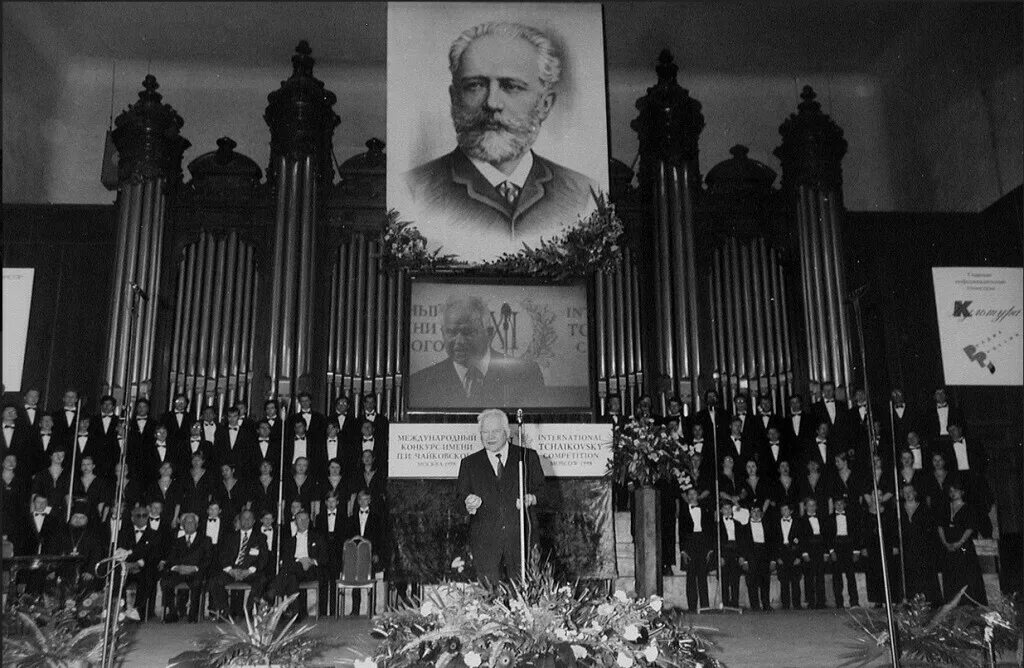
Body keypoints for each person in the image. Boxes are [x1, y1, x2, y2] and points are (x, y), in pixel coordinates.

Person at [400, 21, 599, 259]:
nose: (492, 103)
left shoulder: (583, 194)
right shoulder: (413, 191)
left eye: (511, 86)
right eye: (475, 85)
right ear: (454, 98)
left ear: (545, 105)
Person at [456, 408, 544, 583]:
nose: (490, 437)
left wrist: (532, 498)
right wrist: (468, 504)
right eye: (485, 432)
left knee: (524, 600)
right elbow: (458, 502)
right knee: (488, 602)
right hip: (485, 546)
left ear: (507, 432)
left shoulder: (527, 457)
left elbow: (546, 493)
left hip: (521, 543)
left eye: (495, 431)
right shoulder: (469, 464)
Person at [408, 295, 545, 409]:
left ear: (489, 334)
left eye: (468, 332)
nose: (459, 341)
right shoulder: (420, 383)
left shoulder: (526, 374)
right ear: (443, 333)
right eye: (451, 332)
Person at [207, 509, 268, 619]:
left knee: (262, 580)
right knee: (214, 581)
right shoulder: (229, 537)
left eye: (249, 518)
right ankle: (225, 611)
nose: (247, 520)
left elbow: (263, 558)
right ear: (239, 520)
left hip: (249, 572)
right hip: (232, 570)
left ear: (254, 521)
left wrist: (249, 571)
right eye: (244, 518)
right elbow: (222, 556)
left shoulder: (260, 538)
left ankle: (249, 611)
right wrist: (230, 570)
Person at [265, 510, 326, 620]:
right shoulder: (289, 541)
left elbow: (324, 558)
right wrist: (300, 561)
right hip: (295, 569)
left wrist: (311, 561)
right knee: (292, 576)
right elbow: (285, 559)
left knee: (289, 571)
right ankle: (295, 614)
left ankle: (272, 592)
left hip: (311, 570)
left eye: (306, 519)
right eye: (300, 519)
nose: (303, 522)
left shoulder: (317, 537)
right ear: (295, 522)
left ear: (309, 521)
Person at [937, 479, 987, 605]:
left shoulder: (968, 508)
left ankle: (970, 604)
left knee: (968, 575)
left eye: (956, 490)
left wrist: (960, 542)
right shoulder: (945, 508)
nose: (953, 493)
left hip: (964, 546)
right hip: (949, 547)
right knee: (951, 576)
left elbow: (970, 528)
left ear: (962, 492)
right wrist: (945, 543)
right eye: (951, 491)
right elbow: (940, 527)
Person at [160, 512, 212, 622]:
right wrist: (177, 567)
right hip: (179, 571)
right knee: (165, 582)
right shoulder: (178, 541)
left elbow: (207, 559)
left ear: (197, 524)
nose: (189, 524)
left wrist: (194, 568)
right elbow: (171, 559)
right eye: (186, 522)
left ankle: (193, 614)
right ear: (182, 525)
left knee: (197, 582)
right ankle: (173, 613)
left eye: (192, 522)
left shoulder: (205, 540)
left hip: (195, 572)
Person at [118, 504, 164, 620]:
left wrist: (138, 563)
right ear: (132, 518)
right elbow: (119, 551)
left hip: (143, 567)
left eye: (144, 515)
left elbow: (154, 555)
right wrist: (126, 565)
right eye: (138, 515)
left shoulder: (155, 534)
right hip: (126, 567)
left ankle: (138, 611)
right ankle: (121, 610)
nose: (141, 518)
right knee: (117, 577)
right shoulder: (124, 533)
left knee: (148, 577)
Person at [899, 483, 942, 606]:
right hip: (907, 547)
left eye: (910, 491)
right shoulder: (899, 509)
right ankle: (910, 600)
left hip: (923, 547)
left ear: (915, 493)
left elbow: (930, 529)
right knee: (909, 574)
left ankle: (926, 601)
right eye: (905, 492)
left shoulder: (923, 508)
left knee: (924, 573)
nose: (908, 495)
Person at [344, 489, 386, 615]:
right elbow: (348, 536)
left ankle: (371, 610)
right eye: (361, 499)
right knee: (355, 580)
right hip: (354, 554)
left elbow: (380, 538)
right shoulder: (351, 518)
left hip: (370, 553)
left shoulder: (376, 518)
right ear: (358, 501)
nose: (363, 502)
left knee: (371, 580)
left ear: (370, 501)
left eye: (366, 499)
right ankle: (355, 610)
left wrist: (376, 553)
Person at [677, 487, 711, 612]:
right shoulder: (684, 511)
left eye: (694, 494)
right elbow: (681, 531)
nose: (691, 496)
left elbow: (709, 529)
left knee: (702, 575)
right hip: (689, 544)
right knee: (690, 576)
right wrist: (683, 550)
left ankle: (705, 606)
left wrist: (709, 549)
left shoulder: (705, 510)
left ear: (698, 495)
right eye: (689, 494)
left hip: (702, 542)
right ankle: (692, 607)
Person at [795, 496, 830, 609]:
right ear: (805, 507)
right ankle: (811, 601)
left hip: (820, 548)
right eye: (809, 505)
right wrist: (804, 553)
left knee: (820, 576)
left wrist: (826, 552)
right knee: (809, 576)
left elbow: (825, 536)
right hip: (809, 549)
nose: (812, 507)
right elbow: (801, 538)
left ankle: (821, 601)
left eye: (814, 505)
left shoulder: (822, 518)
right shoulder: (801, 520)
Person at [828, 497, 861, 608]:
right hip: (836, 546)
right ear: (834, 505)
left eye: (841, 504)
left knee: (850, 575)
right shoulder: (830, 518)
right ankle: (839, 603)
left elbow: (856, 534)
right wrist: (831, 551)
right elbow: (828, 536)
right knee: (837, 577)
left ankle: (854, 602)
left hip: (848, 546)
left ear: (844, 505)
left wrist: (856, 551)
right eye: (837, 504)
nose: (839, 506)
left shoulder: (851, 517)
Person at [742, 505, 774, 611]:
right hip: (751, 553)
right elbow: (744, 545)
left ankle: (766, 604)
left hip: (764, 553)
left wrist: (772, 559)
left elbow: (771, 543)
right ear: (750, 513)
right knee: (752, 581)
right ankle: (755, 605)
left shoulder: (767, 525)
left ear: (761, 513)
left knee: (765, 580)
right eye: (753, 511)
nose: (755, 513)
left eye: (758, 511)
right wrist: (745, 560)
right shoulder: (745, 527)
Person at [772, 501, 803, 610]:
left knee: (795, 580)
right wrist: (777, 557)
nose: (783, 512)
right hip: (782, 553)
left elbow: (802, 541)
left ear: (791, 511)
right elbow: (774, 542)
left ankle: (797, 604)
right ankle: (785, 605)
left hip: (794, 553)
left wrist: (799, 557)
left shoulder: (798, 523)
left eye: (785, 509)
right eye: (782, 510)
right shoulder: (776, 524)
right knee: (783, 581)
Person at [717, 499, 747, 608]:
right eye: (725, 508)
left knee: (735, 579)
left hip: (735, 552)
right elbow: (716, 542)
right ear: (721, 510)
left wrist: (742, 556)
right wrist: (719, 556)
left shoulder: (738, 524)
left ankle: (735, 602)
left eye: (729, 508)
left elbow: (742, 542)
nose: (728, 510)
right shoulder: (717, 525)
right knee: (724, 579)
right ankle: (725, 603)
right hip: (724, 552)